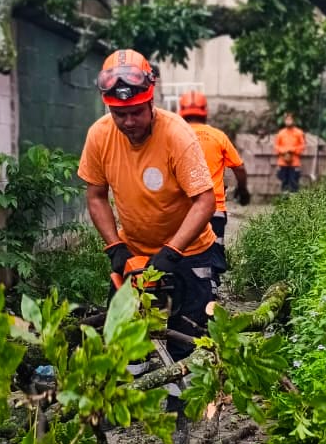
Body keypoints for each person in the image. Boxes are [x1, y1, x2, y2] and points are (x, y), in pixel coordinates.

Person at [78, 49, 224, 361]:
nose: (129, 121)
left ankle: (181, 405)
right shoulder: (99, 136)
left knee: (187, 342)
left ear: (150, 99)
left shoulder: (176, 135)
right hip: (135, 253)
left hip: (190, 252)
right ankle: (129, 402)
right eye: (120, 114)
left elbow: (205, 200)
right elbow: (95, 196)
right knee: (124, 344)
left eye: (136, 112)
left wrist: (172, 251)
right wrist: (115, 247)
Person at [178, 90, 250, 249]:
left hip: (182, 213)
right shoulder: (218, 136)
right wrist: (243, 190)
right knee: (213, 257)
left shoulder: (174, 136)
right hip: (214, 210)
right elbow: (239, 167)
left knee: (182, 257)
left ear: (181, 111)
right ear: (205, 112)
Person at [274, 112, 306, 193]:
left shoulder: (299, 133)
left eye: (290, 119)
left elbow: (302, 146)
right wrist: (284, 151)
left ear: (293, 121)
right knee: (284, 182)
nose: (288, 121)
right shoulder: (281, 133)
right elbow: (276, 146)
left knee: (294, 183)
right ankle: (284, 200)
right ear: (284, 121)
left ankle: (294, 202)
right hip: (283, 162)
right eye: (287, 120)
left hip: (294, 162)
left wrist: (292, 150)